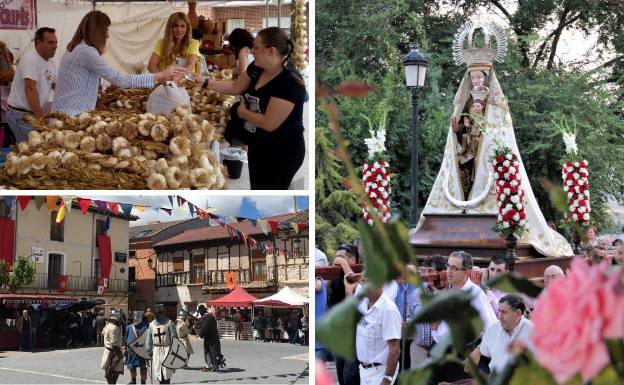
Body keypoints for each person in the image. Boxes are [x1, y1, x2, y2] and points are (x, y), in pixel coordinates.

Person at [193, 27, 306, 189]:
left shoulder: (289, 82)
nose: (252, 50)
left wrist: (243, 112)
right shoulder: (257, 68)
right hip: (258, 145)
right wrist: (205, 82)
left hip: (282, 152)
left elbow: (269, 123)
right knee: (257, 189)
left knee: (269, 193)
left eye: (256, 47)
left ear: (271, 51)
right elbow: (235, 86)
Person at [52, 11, 185, 116]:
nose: (108, 35)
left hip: (61, 113)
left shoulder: (72, 49)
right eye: (106, 30)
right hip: (72, 117)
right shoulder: (87, 52)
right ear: (97, 31)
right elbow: (120, 80)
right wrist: (160, 75)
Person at [430, 251, 497, 384]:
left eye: (454, 268)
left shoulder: (475, 294)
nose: (449, 271)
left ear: (466, 272)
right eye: (448, 266)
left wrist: (478, 351)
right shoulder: (444, 291)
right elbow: (434, 324)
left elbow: (492, 328)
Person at [6, 27, 57, 143]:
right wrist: (40, 118)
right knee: (33, 151)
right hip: (20, 115)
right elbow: (30, 89)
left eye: (56, 42)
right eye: (50, 42)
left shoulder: (50, 62)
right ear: (38, 42)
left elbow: (56, 85)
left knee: (36, 151)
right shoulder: (31, 59)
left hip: (31, 114)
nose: (55, 46)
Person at [468, 294, 533, 376]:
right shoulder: (492, 328)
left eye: (504, 312)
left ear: (518, 313)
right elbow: (483, 350)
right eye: (499, 311)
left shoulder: (534, 332)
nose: (500, 316)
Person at [356, 285, 402, 385]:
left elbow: (395, 349)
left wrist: (387, 379)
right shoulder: (363, 303)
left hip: (381, 373)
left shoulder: (389, 309)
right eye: (363, 281)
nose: (364, 285)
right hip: (363, 370)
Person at [148, 12, 200, 77]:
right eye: (175, 26)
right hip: (165, 83)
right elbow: (151, 65)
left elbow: (191, 65)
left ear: (187, 28)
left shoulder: (193, 43)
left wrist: (178, 78)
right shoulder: (161, 43)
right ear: (170, 28)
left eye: (182, 26)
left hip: (186, 84)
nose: (179, 30)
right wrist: (161, 77)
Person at [146, 304, 177, 384]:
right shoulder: (152, 325)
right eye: (157, 313)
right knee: (158, 371)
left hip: (167, 350)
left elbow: (175, 339)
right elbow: (149, 339)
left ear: (163, 313)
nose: (159, 315)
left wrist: (174, 352)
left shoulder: (169, 323)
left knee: (167, 372)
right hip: (156, 350)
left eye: (160, 313)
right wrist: (149, 350)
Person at [195, 305, 223, 372]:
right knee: (214, 352)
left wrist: (198, 330)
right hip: (214, 337)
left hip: (209, 338)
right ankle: (214, 366)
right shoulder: (211, 316)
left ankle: (210, 367)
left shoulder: (205, 317)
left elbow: (203, 329)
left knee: (208, 352)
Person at [101, 311, 124, 384]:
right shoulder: (114, 328)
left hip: (108, 351)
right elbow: (114, 343)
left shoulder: (107, 326)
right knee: (113, 373)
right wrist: (119, 354)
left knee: (110, 374)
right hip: (114, 352)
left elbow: (103, 333)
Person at [126, 311, 148, 384]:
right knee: (132, 366)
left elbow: (148, 339)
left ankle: (143, 380)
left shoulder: (145, 327)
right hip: (131, 350)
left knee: (143, 367)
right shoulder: (129, 327)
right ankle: (133, 379)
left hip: (141, 350)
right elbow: (125, 338)